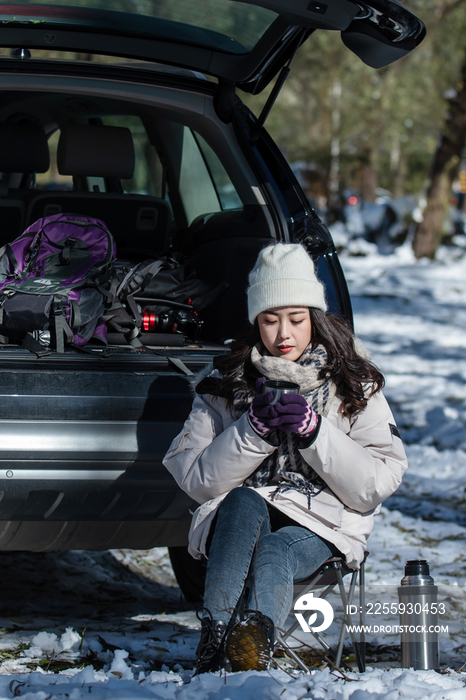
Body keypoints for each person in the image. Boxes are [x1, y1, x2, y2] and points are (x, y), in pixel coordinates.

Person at [163, 243, 407, 674]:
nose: (283, 335)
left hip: (324, 524)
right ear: (255, 320)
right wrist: (252, 431)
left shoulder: (353, 382)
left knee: (278, 549)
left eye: (296, 319)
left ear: (315, 317)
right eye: (270, 320)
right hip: (240, 522)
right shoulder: (224, 383)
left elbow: (377, 483)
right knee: (243, 499)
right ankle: (217, 636)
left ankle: (252, 642)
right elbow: (194, 479)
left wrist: (315, 432)